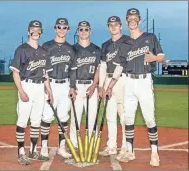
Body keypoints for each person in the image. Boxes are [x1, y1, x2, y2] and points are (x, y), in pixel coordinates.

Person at [106, 8, 165, 167]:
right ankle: (130, 151)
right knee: (128, 118)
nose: (132, 20)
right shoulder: (124, 43)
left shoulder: (149, 37)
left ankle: (155, 153)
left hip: (145, 81)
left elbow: (162, 57)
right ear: (127, 21)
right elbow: (119, 66)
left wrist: (153, 58)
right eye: (130, 18)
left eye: (135, 17)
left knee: (149, 118)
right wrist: (111, 84)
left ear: (139, 19)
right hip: (129, 82)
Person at [9, 20, 53, 165]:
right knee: (22, 120)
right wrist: (21, 91)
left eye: (38, 30)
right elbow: (15, 73)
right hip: (26, 85)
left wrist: (50, 92)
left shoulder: (43, 51)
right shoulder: (21, 49)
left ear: (41, 32)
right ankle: (21, 152)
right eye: (33, 29)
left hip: (40, 87)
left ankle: (33, 151)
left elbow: (45, 74)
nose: (35, 32)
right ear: (28, 31)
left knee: (36, 121)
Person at [40, 18, 77, 159]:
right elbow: (42, 69)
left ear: (68, 29)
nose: (62, 29)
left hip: (65, 85)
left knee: (63, 117)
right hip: (51, 84)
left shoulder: (71, 49)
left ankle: (62, 147)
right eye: (59, 27)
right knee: (47, 116)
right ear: (55, 28)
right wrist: (46, 87)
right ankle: (44, 147)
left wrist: (72, 87)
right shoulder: (46, 46)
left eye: (64, 27)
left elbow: (73, 71)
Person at [98, 16, 129, 159]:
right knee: (109, 115)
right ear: (108, 27)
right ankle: (111, 146)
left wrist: (110, 85)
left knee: (123, 116)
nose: (114, 27)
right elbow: (103, 66)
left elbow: (122, 64)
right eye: (111, 25)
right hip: (108, 80)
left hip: (122, 80)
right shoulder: (105, 45)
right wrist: (101, 85)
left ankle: (125, 147)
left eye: (116, 24)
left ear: (121, 26)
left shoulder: (127, 41)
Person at [69, 21, 100, 149]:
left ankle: (92, 145)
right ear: (77, 32)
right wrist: (71, 86)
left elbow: (99, 69)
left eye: (86, 29)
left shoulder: (97, 50)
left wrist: (94, 86)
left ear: (90, 31)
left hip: (91, 86)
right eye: (81, 29)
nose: (83, 32)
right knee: (74, 118)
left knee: (92, 117)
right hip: (76, 86)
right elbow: (70, 70)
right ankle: (74, 145)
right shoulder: (71, 49)